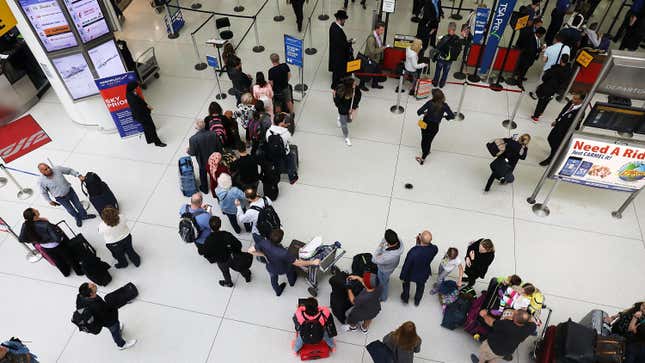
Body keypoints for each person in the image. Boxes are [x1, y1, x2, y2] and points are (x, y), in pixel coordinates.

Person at [249, 229, 320, 296]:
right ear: (280, 240)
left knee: (273, 280)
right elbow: (298, 263)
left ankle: (278, 291)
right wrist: (313, 262)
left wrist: (264, 254)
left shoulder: (263, 243)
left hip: (271, 268)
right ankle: (291, 282)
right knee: (291, 271)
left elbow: (250, 251)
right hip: (284, 268)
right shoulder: (284, 253)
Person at [18, 208, 81, 277]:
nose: (37, 210)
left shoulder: (25, 225)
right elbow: (57, 238)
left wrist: (36, 240)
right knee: (69, 257)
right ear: (34, 216)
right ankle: (79, 271)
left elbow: (21, 239)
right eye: (35, 211)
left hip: (45, 247)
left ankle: (66, 273)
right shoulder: (45, 224)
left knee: (58, 261)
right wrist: (60, 235)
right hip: (58, 245)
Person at [76, 282, 137, 350]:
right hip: (109, 321)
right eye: (92, 286)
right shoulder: (96, 306)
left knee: (115, 327)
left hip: (100, 319)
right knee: (115, 331)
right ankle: (121, 345)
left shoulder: (80, 296)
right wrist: (120, 303)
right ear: (91, 293)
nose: (94, 284)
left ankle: (117, 329)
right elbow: (108, 315)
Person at [37, 163, 95, 227]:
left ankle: (84, 216)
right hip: (60, 198)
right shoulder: (41, 181)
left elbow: (69, 170)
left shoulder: (57, 169)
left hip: (70, 192)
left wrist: (78, 175)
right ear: (41, 171)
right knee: (70, 210)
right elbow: (44, 192)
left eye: (48, 167)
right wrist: (49, 201)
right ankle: (77, 218)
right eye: (46, 169)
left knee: (79, 205)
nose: (49, 169)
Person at [470, 309, 536, 363]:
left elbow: (491, 322)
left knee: (483, 355)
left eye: (514, 313)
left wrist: (484, 315)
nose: (513, 313)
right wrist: (518, 316)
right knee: (495, 359)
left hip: (492, 347)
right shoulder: (531, 327)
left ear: (515, 319)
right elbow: (530, 319)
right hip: (506, 351)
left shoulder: (506, 324)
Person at [202, 216, 252, 287]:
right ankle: (247, 276)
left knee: (225, 272)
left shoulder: (208, 241)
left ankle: (228, 283)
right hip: (231, 257)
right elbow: (238, 244)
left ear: (210, 227)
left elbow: (206, 254)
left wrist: (214, 259)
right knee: (240, 267)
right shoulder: (226, 235)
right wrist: (236, 251)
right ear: (220, 225)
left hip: (221, 261)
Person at [539, 92, 585, 166]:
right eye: (573, 97)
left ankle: (551, 159)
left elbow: (576, 126)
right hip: (559, 125)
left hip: (564, 131)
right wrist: (557, 120)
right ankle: (555, 152)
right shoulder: (571, 102)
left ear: (581, 100)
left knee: (557, 144)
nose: (573, 100)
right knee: (550, 138)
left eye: (576, 99)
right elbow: (563, 112)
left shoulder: (580, 112)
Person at [415, 88, 455, 164]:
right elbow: (452, 116)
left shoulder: (429, 103)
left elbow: (419, 112)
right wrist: (446, 117)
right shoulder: (444, 106)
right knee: (429, 140)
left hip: (425, 124)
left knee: (424, 141)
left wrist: (425, 113)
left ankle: (423, 158)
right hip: (435, 126)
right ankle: (427, 151)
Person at [399, 230, 438, 305]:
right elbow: (427, 247)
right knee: (421, 287)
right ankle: (417, 300)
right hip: (423, 273)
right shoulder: (434, 249)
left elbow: (406, 266)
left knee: (406, 284)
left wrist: (402, 277)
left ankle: (405, 298)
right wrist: (422, 242)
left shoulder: (413, 252)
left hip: (411, 273)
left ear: (420, 238)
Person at [530, 54, 572, 122]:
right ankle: (541, 112)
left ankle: (536, 116)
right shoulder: (568, 71)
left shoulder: (554, 68)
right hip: (555, 89)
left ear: (561, 59)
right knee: (547, 100)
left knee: (541, 101)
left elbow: (544, 78)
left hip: (547, 87)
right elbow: (565, 82)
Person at [125, 81, 166, 147]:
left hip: (142, 114)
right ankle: (157, 142)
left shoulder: (130, 93)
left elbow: (140, 101)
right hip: (142, 116)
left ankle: (150, 140)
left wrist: (146, 105)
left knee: (147, 128)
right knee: (151, 128)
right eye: (136, 87)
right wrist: (148, 110)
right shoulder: (132, 97)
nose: (137, 88)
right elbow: (138, 108)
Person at [187, 119, 222, 193]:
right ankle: (217, 186)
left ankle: (204, 188)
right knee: (214, 172)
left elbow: (192, 152)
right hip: (214, 159)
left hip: (202, 160)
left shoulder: (193, 139)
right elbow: (219, 146)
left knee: (203, 174)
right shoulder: (213, 134)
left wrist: (188, 151)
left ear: (196, 127)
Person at [266, 113, 299, 183]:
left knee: (276, 164)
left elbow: (267, 140)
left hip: (272, 152)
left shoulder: (269, 131)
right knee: (290, 160)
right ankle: (292, 177)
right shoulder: (286, 133)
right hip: (284, 152)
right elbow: (289, 141)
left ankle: (277, 175)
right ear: (282, 122)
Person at [372, 229, 404, 302]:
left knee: (383, 284)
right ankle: (385, 281)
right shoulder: (399, 242)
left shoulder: (388, 256)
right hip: (391, 267)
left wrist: (381, 245)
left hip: (384, 270)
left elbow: (373, 259)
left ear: (388, 242)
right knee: (385, 280)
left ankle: (383, 297)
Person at [433, 22, 463, 88]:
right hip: (450, 60)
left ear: (448, 29)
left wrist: (439, 41)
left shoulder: (444, 38)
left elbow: (438, 47)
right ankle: (442, 84)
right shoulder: (458, 39)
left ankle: (435, 82)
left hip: (442, 58)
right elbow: (459, 49)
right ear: (455, 30)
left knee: (438, 71)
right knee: (445, 72)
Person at [333, 77, 362, 147]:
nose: (355, 84)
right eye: (354, 83)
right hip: (343, 110)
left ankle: (340, 118)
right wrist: (334, 96)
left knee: (350, 120)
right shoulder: (341, 91)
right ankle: (346, 137)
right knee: (344, 124)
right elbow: (337, 103)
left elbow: (358, 97)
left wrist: (353, 108)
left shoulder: (356, 89)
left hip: (351, 109)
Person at [360, 22, 387, 91]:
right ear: (376, 29)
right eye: (381, 30)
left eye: (383, 30)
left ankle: (375, 84)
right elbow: (372, 50)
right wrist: (382, 48)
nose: (382, 31)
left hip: (375, 58)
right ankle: (361, 85)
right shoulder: (371, 38)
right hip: (370, 58)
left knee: (377, 71)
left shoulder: (377, 35)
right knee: (366, 72)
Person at [329, 10, 352, 90]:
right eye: (344, 20)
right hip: (338, 55)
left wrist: (346, 42)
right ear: (340, 19)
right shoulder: (337, 30)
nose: (345, 21)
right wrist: (349, 43)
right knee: (337, 71)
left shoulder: (333, 26)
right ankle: (335, 86)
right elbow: (341, 45)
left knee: (336, 70)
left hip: (335, 53)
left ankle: (336, 83)